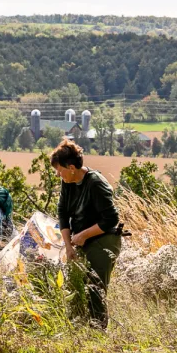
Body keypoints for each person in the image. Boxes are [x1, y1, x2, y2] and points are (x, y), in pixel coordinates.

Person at [51, 139, 120, 329]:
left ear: (71, 167)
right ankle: (78, 327)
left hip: (104, 239)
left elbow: (111, 220)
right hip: (82, 240)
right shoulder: (69, 182)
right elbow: (63, 213)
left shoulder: (96, 183)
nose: (58, 174)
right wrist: (68, 246)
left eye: (59, 170)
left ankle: (98, 332)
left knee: (95, 287)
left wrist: (83, 235)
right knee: (75, 285)